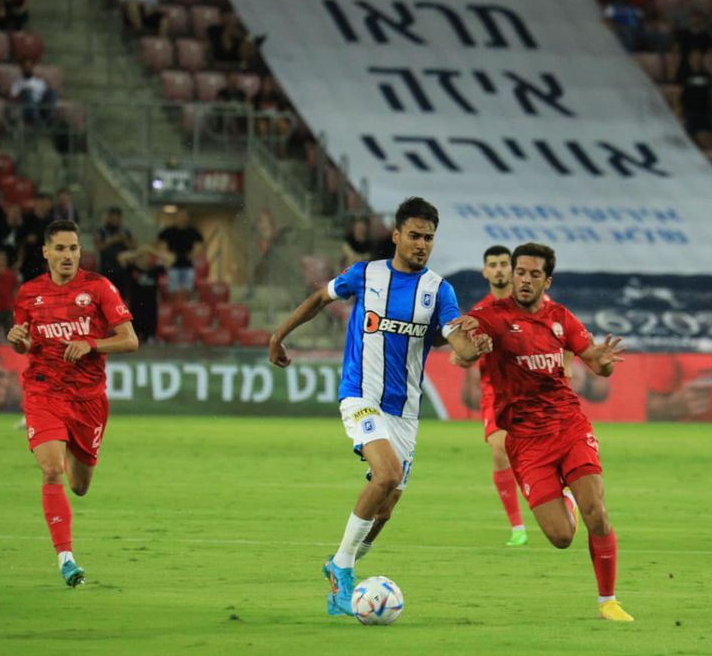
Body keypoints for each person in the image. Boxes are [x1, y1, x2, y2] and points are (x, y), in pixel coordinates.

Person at [267, 196, 488, 617]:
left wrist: (472, 348)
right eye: (415, 235)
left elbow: (452, 338)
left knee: (385, 507)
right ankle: (340, 568)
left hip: (404, 410)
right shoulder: (365, 275)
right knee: (385, 474)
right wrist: (278, 336)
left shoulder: (438, 290)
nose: (422, 244)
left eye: (429, 238)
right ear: (397, 235)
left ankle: (350, 559)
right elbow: (319, 299)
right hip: (360, 396)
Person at [454, 243, 632, 621]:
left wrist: (602, 363)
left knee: (596, 513)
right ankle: (563, 496)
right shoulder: (490, 314)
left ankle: (609, 602)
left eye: (534, 274)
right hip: (525, 440)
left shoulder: (560, 317)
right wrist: (470, 348)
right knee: (561, 537)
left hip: (568, 425)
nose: (524, 280)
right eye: (521, 272)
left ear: (546, 280)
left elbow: (598, 365)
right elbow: (461, 351)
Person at [6, 219, 139, 587]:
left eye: (74, 248)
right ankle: (66, 559)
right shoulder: (28, 294)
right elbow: (25, 343)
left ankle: (63, 445)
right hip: (44, 392)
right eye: (61, 249)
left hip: (87, 400)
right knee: (50, 470)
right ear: (46, 252)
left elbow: (130, 340)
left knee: (79, 486)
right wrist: (18, 339)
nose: (68, 255)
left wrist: (92, 343)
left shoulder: (98, 288)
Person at [451, 245, 577, 547]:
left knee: (542, 449)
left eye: (503, 264)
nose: (498, 270)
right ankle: (518, 528)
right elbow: (462, 355)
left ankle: (563, 496)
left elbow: (565, 332)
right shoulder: (481, 311)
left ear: (512, 269)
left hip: (536, 392)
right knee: (499, 450)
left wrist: (566, 368)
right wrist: (463, 355)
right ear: (485, 272)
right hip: (495, 392)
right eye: (492, 265)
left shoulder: (535, 302)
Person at [118, 242, 172, 343]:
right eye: (142, 257)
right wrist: (138, 252)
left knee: (150, 336)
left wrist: (153, 252)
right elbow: (121, 257)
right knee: (136, 335)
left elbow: (170, 260)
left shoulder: (156, 269)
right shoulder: (132, 268)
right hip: (136, 306)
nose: (144, 259)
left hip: (151, 306)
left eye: (147, 257)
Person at [157, 209, 204, 298]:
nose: (182, 219)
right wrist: (167, 255)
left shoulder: (193, 231)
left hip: (188, 265)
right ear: (176, 218)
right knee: (172, 291)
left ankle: (186, 309)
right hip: (173, 265)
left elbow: (200, 245)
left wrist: (192, 255)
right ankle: (174, 309)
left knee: (188, 290)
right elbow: (160, 243)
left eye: (184, 216)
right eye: (180, 216)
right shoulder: (169, 231)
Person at [94, 206, 135, 293]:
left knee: (121, 295)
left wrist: (124, 240)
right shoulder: (101, 231)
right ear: (108, 217)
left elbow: (133, 246)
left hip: (122, 269)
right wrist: (113, 240)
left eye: (117, 217)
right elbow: (99, 247)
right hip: (107, 267)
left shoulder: (125, 231)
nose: (115, 220)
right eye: (112, 217)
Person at [10, 59, 56, 127]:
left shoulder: (39, 81)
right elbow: (12, 98)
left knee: (51, 92)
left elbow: (45, 95)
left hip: (40, 105)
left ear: (32, 68)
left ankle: (48, 119)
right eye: (25, 67)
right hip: (27, 107)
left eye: (29, 67)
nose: (28, 69)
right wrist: (22, 93)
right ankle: (39, 122)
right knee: (27, 92)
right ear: (22, 69)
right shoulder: (17, 83)